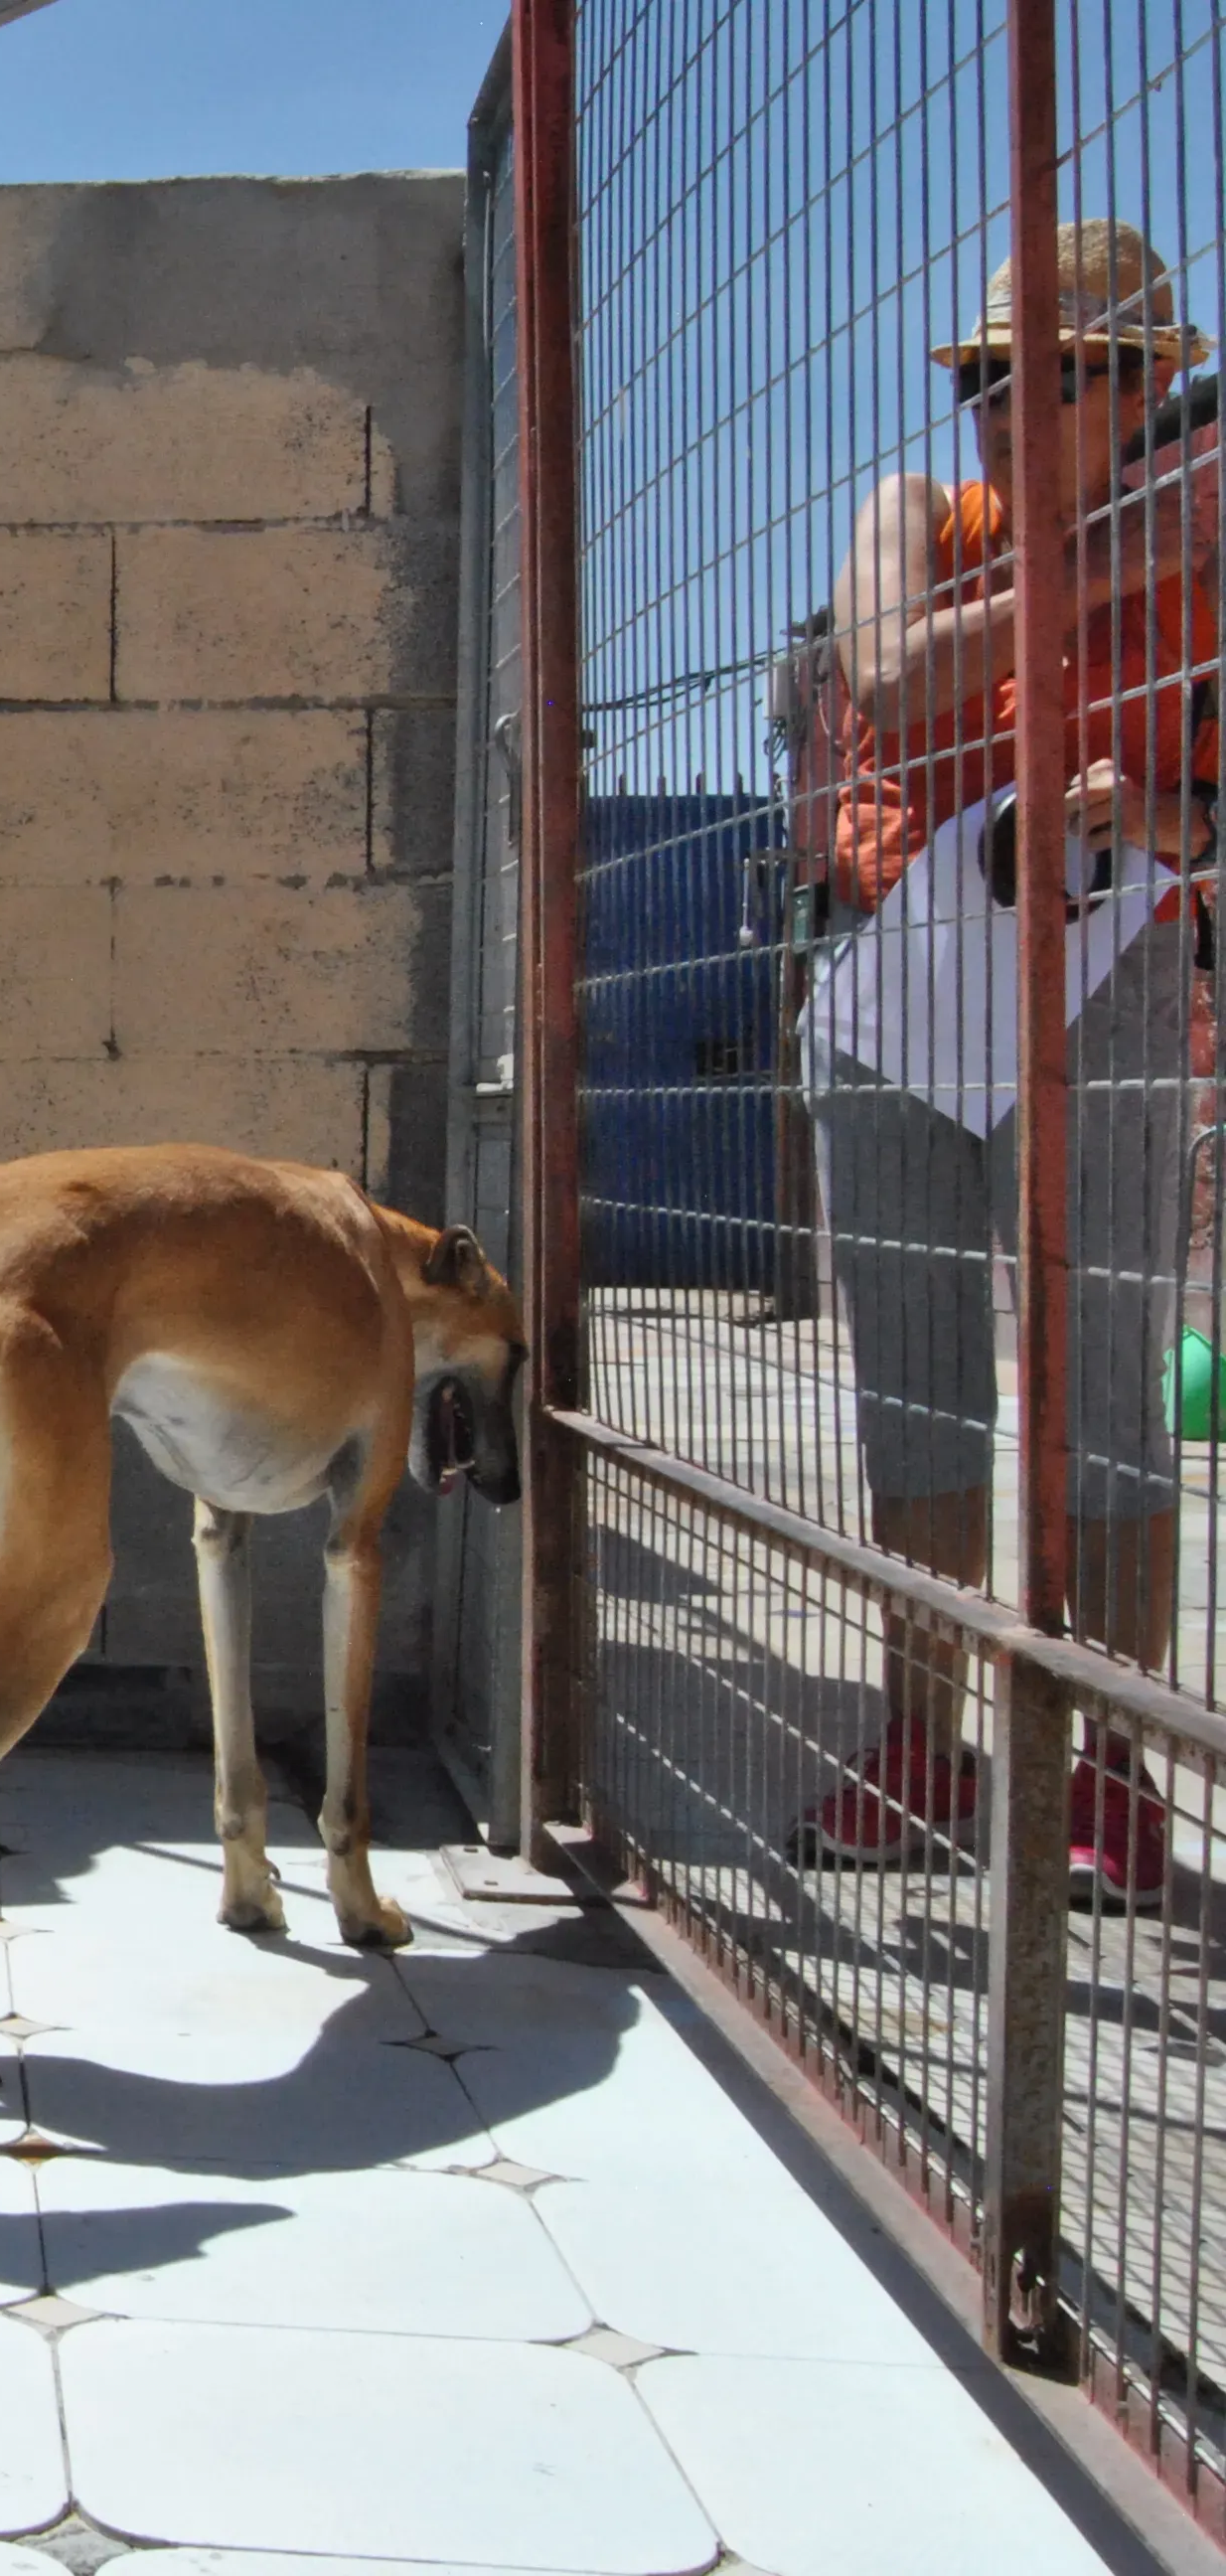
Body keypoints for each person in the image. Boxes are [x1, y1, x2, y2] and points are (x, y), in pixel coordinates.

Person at [799, 220, 1215, 1907]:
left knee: (1105, 1380)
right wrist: (1116, 558)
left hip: (1109, 977)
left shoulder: (1206, 566)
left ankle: (1112, 1759)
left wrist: (1164, 814)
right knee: (915, 1384)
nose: (1003, 407)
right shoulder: (922, 519)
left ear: (1146, 387)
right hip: (901, 985)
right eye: (987, 376)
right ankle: (923, 1738)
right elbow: (893, 672)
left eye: (1060, 375)